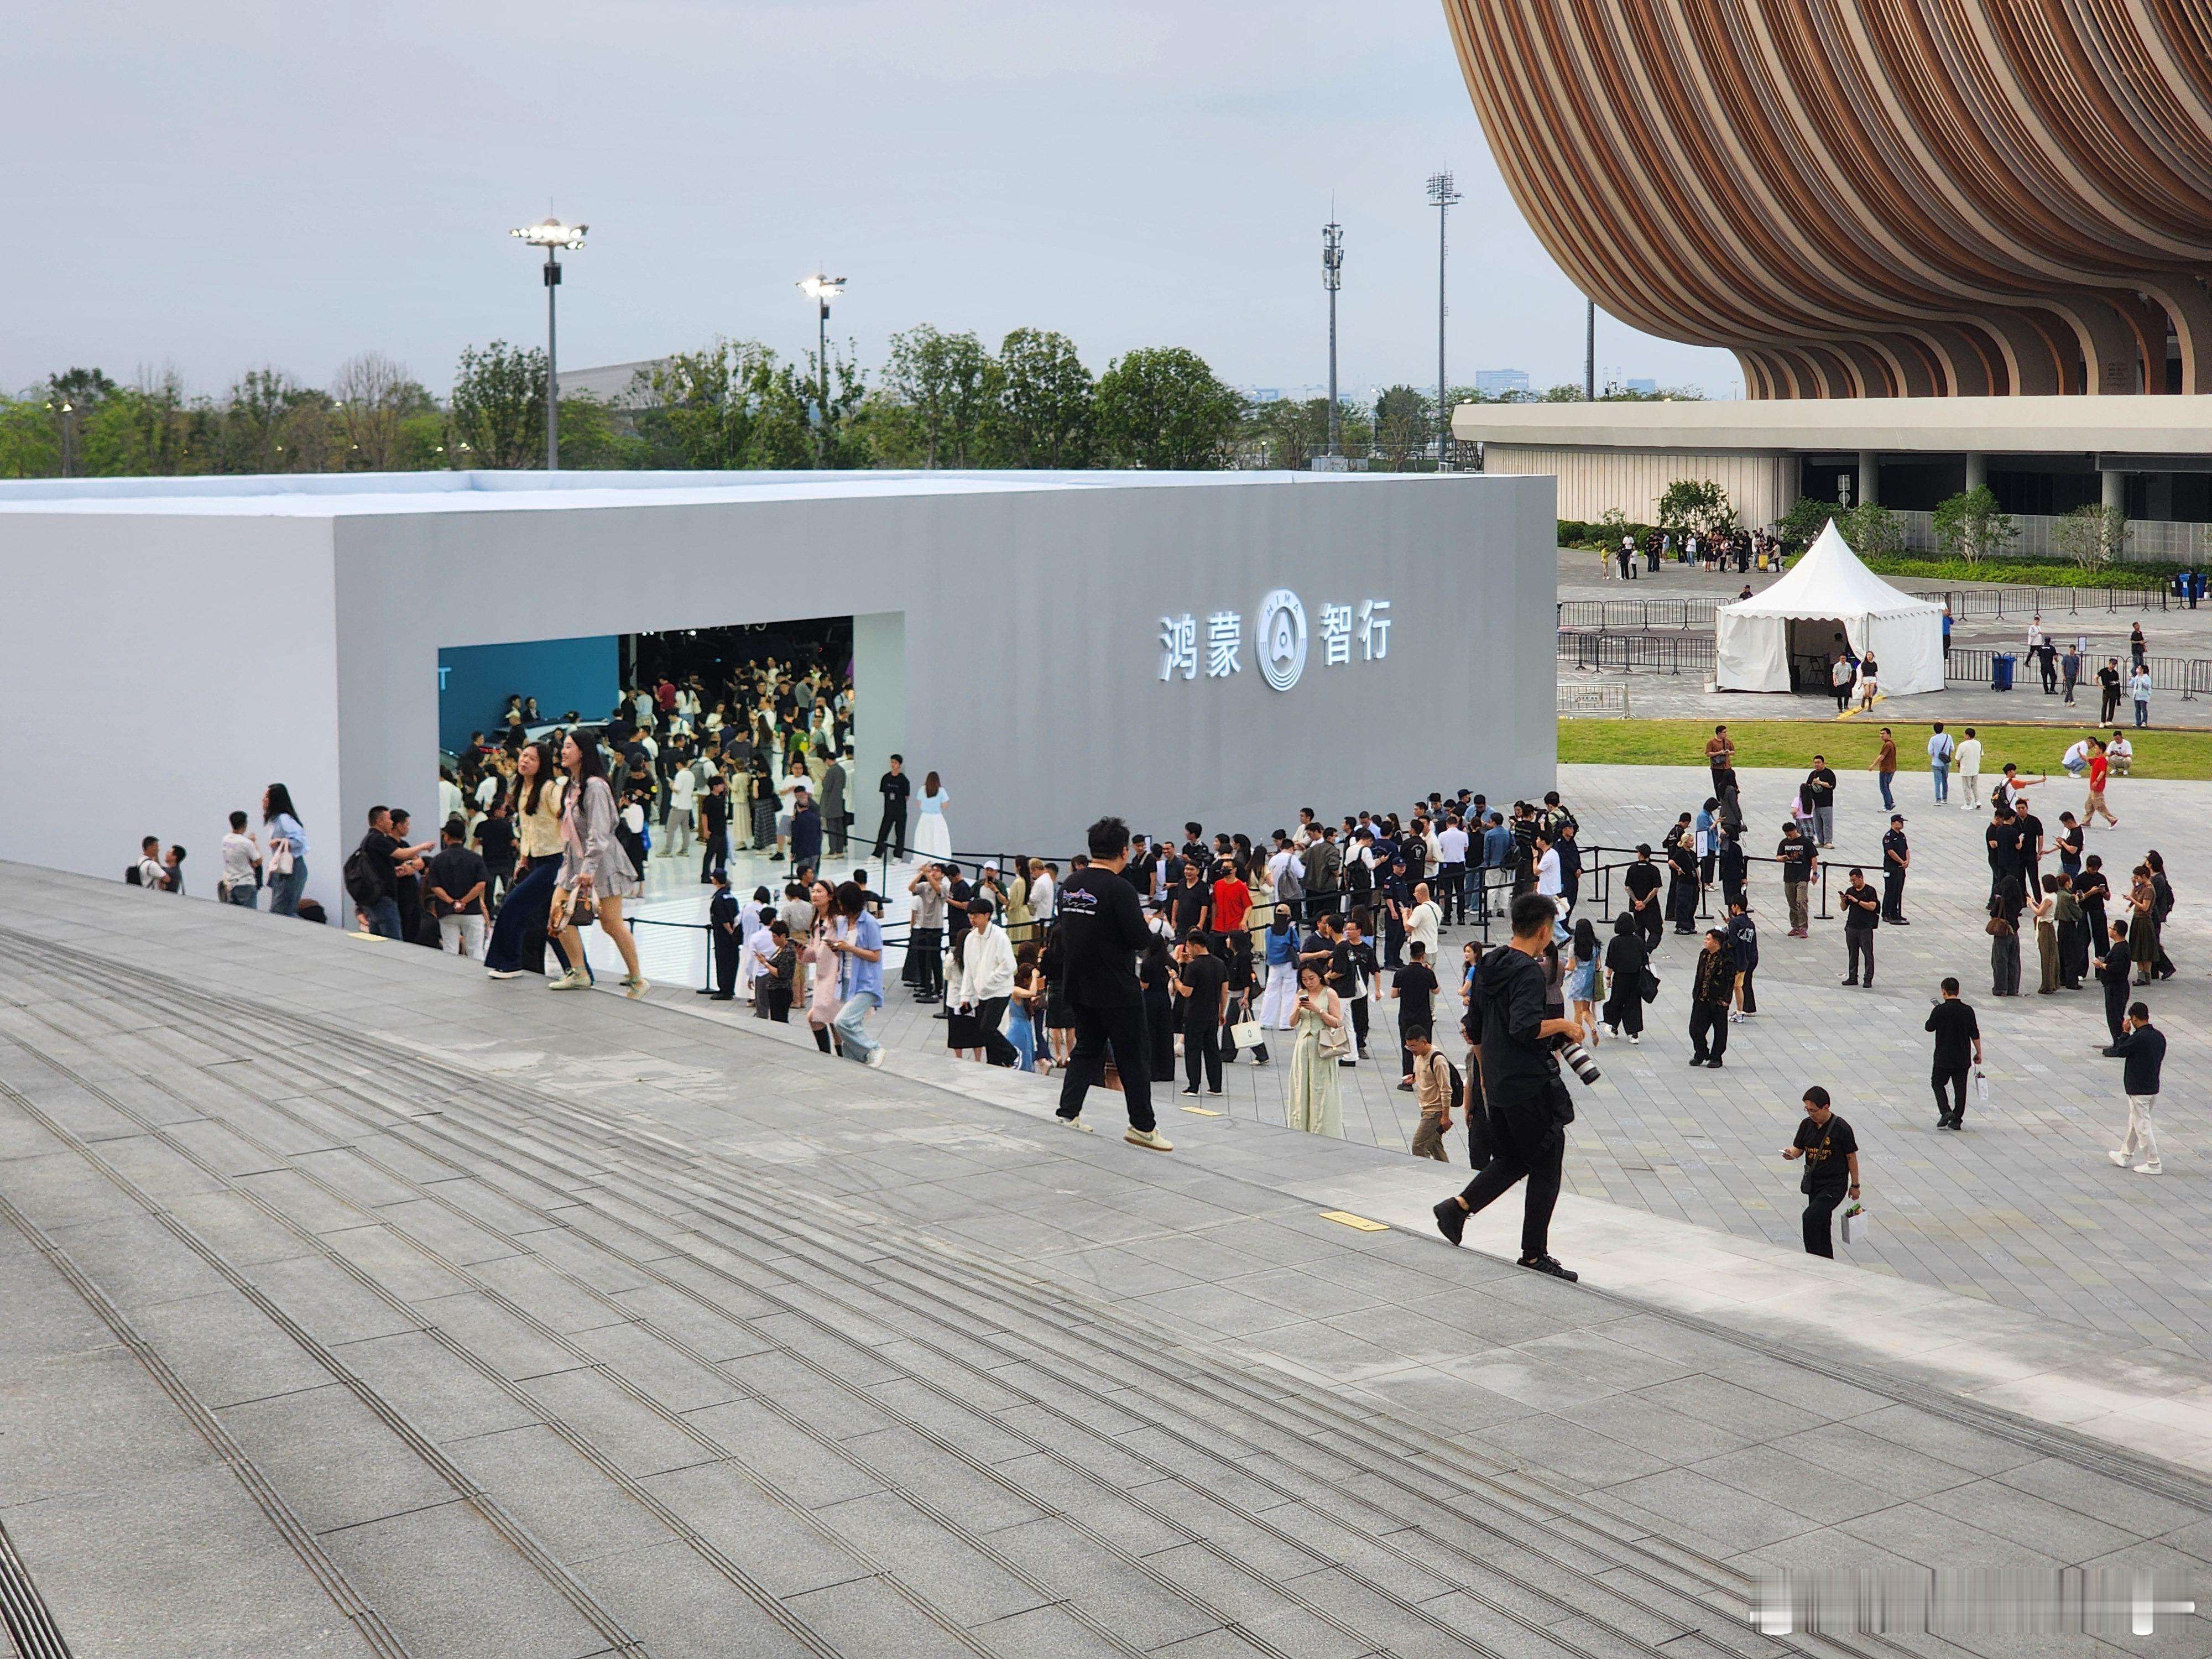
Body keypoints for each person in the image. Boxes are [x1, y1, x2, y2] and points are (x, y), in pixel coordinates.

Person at [1433, 894, 1586, 1280]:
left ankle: (1457, 1209)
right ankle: (1534, 1255)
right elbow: (1526, 1027)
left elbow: (1476, 1028)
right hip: (1526, 1082)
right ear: (1545, 930)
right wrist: (1565, 1026)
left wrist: (1484, 1078)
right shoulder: (1528, 971)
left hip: (1497, 1082)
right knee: (1547, 1162)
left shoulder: (1488, 963)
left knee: (1515, 1158)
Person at [1055, 817, 1170, 1149]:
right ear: (1123, 851)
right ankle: (1143, 1127)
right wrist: (1149, 926)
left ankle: (1068, 1113)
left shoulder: (1071, 884)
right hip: (1116, 987)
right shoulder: (1119, 888)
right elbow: (1138, 939)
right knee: (1133, 1056)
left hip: (1078, 982)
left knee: (1087, 1049)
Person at [550, 731, 648, 997]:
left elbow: (600, 832)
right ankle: (579, 972)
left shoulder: (595, 786)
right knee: (558, 917)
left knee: (611, 923)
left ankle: (638, 978)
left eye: (569, 747)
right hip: (573, 861)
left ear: (583, 751)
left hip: (601, 863)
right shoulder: (572, 785)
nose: (563, 751)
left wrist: (588, 870)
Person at [486, 742, 572, 980]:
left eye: (532, 758)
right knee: (551, 921)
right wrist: (524, 857)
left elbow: (565, 820)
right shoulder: (522, 788)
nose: (525, 761)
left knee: (512, 907)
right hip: (535, 860)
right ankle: (577, 970)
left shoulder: (549, 789)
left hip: (554, 862)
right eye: (524, 756)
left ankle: (510, 963)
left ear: (542, 764)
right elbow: (529, 828)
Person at [1781, 1086, 1861, 1258]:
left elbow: (1851, 1158)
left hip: (1834, 1185)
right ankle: (1825, 1258)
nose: (1811, 1114)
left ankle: (1812, 1256)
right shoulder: (1806, 1125)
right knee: (1822, 1222)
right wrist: (1791, 1154)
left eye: (1814, 1110)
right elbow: (1799, 1148)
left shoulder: (1841, 1128)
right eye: (1807, 1110)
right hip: (1814, 1184)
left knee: (1810, 1217)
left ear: (1826, 1107)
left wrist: (1855, 1185)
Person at [948, 899, 1020, 1068]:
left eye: (976, 916)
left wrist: (990, 979)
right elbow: (969, 970)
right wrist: (965, 996)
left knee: (987, 1028)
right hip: (982, 993)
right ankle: (995, 1064)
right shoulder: (971, 939)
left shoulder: (999, 936)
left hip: (1000, 990)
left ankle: (1012, 1055)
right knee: (986, 1033)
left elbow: (1010, 965)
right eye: (970, 916)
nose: (972, 919)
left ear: (987, 916)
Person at [822, 881, 887, 1066]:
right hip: (846, 979)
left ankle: (872, 1048)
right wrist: (836, 948)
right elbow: (846, 950)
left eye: (842, 903)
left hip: (866, 981)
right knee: (851, 1025)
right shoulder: (843, 922)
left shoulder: (870, 924)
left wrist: (850, 947)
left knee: (842, 1022)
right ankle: (856, 1062)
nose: (840, 907)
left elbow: (876, 956)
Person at [2104, 1003, 2167, 1175]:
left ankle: (2153, 1163)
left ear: (2134, 1019)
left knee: (2143, 1126)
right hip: (2152, 1086)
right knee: (2135, 1122)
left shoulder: (2138, 1038)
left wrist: (2124, 1033)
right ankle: (2125, 1155)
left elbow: (2121, 1050)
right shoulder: (2159, 1036)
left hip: (2139, 1088)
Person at [1170, 935, 1230, 1096]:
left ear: (1196, 946)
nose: (1188, 950)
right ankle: (1216, 1087)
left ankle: (1193, 1087)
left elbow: (1186, 991)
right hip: (1212, 1014)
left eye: (1189, 947)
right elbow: (1224, 991)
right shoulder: (1219, 964)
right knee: (1212, 1050)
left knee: (1193, 1050)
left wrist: (1175, 978)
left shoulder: (1194, 968)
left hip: (1195, 1014)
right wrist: (1221, 1012)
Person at [427, 817, 491, 958]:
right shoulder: (475, 858)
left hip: (447, 911)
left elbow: (435, 886)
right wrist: (464, 901)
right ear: (464, 836)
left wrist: (452, 902)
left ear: (447, 837)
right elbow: (481, 884)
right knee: (475, 950)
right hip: (472, 911)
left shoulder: (438, 860)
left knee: (450, 950)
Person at [1926, 978, 1982, 1129]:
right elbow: (1975, 1033)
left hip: (1943, 1057)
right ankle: (1957, 1120)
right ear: (1958, 991)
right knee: (1960, 1088)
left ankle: (1945, 1111)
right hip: (1962, 1058)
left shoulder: (1940, 1010)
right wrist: (1979, 1053)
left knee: (1937, 1083)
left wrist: (1936, 1013)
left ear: (1944, 992)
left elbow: (1929, 1027)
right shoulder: (1968, 1010)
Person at [1328, 912, 1379, 1064]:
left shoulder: (1341, 947)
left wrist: (1325, 977)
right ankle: (1351, 1055)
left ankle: (1331, 1052)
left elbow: (1339, 971)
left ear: (1330, 928)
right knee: (1348, 1024)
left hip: (1341, 992)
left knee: (1335, 1021)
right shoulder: (1347, 946)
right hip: (1349, 990)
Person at [1391, 941, 1440, 1085]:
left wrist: (1404, 991)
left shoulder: (1401, 973)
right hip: (1424, 1016)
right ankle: (1427, 1078)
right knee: (1426, 1047)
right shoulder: (1427, 973)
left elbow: (1393, 994)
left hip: (1406, 1016)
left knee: (1407, 1047)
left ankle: (1407, 1079)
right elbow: (1436, 990)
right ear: (1423, 955)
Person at [1688, 928, 1733, 1067]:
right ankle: (1701, 1052)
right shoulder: (1704, 955)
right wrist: (1696, 992)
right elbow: (1699, 975)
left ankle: (1716, 1057)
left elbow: (1730, 981)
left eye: (1708, 939)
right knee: (1695, 1029)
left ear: (1716, 942)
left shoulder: (1727, 960)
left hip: (1718, 1000)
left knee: (1720, 1031)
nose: (1705, 942)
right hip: (1702, 998)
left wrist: (1726, 999)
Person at [1601, 913, 1647, 1045]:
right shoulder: (1639, 941)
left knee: (1617, 1001)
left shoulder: (1615, 942)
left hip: (1620, 977)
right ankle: (1633, 1033)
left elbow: (1610, 962)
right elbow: (1644, 960)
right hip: (1635, 976)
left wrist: (1608, 977)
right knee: (1633, 1003)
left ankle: (1613, 1027)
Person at [1407, 1029, 1452, 1161]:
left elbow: (1446, 1089)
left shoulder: (1438, 1060)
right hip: (1426, 1108)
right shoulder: (1419, 1056)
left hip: (1435, 1112)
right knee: (1435, 1145)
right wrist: (1414, 1078)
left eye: (1413, 1046)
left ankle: (1427, 1173)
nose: (1411, 1050)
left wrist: (1445, 1116)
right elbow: (1425, 1074)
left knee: (1418, 1146)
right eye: (1408, 1046)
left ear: (1424, 1042)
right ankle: (1448, 1173)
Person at [2093, 920, 2133, 1045]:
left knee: (2115, 1017)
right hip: (2115, 986)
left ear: (2115, 932)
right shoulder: (2119, 947)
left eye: (2111, 928)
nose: (2109, 929)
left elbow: (2117, 968)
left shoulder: (2121, 949)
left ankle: (2120, 1042)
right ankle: (2118, 1041)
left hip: (2116, 987)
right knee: (2114, 1016)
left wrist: (2102, 965)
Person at [1564, 917, 1603, 1047]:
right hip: (1590, 979)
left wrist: (1565, 964)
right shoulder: (1596, 947)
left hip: (1578, 979)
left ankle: (1578, 1037)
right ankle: (1592, 1027)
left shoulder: (1574, 948)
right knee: (1586, 1009)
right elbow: (1598, 965)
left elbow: (1571, 966)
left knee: (1577, 1012)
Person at [1776, 822, 1815, 938]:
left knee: (1801, 901)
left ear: (1795, 830)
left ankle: (1803, 927)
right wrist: (1782, 858)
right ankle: (1795, 926)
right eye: (1787, 834)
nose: (1789, 836)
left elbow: (1813, 857)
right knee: (1792, 902)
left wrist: (1815, 874)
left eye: (1790, 833)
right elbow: (1778, 856)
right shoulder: (1784, 843)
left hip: (1802, 876)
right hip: (1789, 877)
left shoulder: (1806, 842)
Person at [1622, 844, 1663, 950]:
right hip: (1651, 907)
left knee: (1639, 931)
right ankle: (1648, 950)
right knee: (1656, 930)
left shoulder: (1632, 869)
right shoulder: (1654, 870)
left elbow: (1628, 887)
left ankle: (1640, 952)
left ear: (1640, 854)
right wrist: (1644, 903)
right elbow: (1655, 889)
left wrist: (1636, 902)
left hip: (1636, 907)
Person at [218, 811, 262, 908]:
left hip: (230, 883)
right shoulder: (246, 843)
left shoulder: (226, 839)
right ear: (244, 824)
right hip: (245, 883)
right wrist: (254, 843)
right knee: (250, 916)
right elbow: (258, 861)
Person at [708, 870, 740, 999]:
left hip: (723, 935)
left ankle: (724, 990)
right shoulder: (731, 896)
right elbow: (735, 916)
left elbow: (723, 919)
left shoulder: (719, 898)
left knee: (723, 961)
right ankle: (730, 988)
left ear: (716, 880)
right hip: (732, 936)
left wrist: (731, 933)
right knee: (732, 961)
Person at [873, 754, 911, 861]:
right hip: (889, 811)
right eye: (892, 762)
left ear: (899, 765)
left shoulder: (904, 780)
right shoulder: (886, 778)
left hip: (900, 811)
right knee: (883, 832)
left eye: (895, 763)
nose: (893, 765)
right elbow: (884, 793)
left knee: (900, 833)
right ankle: (877, 854)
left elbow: (906, 796)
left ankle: (898, 856)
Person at [1725, 896, 1757, 1020]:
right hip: (1752, 956)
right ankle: (1746, 1007)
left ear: (1736, 906)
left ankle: (1743, 1009)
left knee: (1739, 985)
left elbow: (1733, 941)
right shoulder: (1750, 923)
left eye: (1732, 906)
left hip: (1740, 958)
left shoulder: (1735, 923)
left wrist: (1723, 946)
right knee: (1745, 983)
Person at [913, 771, 952, 863]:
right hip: (936, 818)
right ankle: (937, 859)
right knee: (937, 838)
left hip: (925, 818)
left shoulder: (922, 789)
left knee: (924, 838)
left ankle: (923, 860)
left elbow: (919, 804)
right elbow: (945, 806)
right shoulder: (941, 791)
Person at [1880, 814, 1910, 924]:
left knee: (1898, 891)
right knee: (1890, 890)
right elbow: (1890, 852)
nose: (1902, 824)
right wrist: (1901, 861)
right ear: (1893, 823)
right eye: (1900, 822)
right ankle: (1886, 913)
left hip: (1901, 869)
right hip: (1891, 868)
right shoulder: (1889, 837)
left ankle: (1894, 912)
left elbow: (1906, 849)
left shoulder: (1902, 835)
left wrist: (1907, 861)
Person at [1805, 755, 1838, 846]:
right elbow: (1808, 786)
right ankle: (1820, 840)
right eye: (1815, 763)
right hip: (1815, 803)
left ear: (1823, 763)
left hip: (1826, 803)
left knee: (1827, 824)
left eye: (1819, 763)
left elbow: (1832, 785)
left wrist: (1821, 783)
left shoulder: (1829, 773)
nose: (1817, 765)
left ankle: (1828, 841)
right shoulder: (1813, 774)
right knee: (1818, 824)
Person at [1954, 727, 1984, 812]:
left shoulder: (1963, 745)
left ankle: (1968, 804)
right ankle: (1978, 801)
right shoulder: (1979, 744)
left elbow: (1957, 758)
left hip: (1966, 769)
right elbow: (1981, 754)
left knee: (1967, 787)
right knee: (1974, 786)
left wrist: (1959, 763)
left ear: (1967, 736)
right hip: (1975, 768)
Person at [1926, 723, 1953, 805]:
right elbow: (1952, 749)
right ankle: (1945, 798)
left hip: (1936, 763)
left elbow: (1930, 751)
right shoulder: (1949, 737)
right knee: (1945, 780)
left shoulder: (1933, 739)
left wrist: (1935, 755)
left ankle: (1938, 799)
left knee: (1937, 782)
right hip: (1945, 763)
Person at [2097, 657, 2123, 724]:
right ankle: (2102, 721)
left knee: (2112, 705)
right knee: (2104, 705)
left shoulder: (2115, 673)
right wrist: (2100, 686)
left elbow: (2117, 682)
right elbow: (2095, 677)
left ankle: (2109, 720)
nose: (2113, 666)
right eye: (2113, 664)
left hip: (2114, 691)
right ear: (2110, 664)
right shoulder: (2104, 671)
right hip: (2106, 690)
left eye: (2115, 665)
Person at [2128, 663, 2153, 728]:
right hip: (2136, 696)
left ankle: (2144, 722)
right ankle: (2138, 722)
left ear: (2142, 670)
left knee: (2143, 709)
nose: (2137, 669)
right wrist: (2131, 679)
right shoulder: (2137, 677)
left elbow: (2148, 686)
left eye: (2139, 668)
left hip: (2143, 696)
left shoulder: (2146, 677)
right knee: (2137, 710)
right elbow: (2131, 684)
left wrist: (2142, 680)